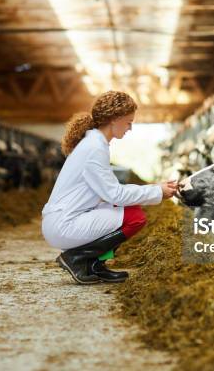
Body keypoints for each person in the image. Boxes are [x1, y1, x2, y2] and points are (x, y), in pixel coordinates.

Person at [41, 91, 177, 284]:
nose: (130, 128)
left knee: (131, 210)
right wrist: (157, 191)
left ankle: (95, 265)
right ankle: (77, 258)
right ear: (115, 119)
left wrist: (155, 189)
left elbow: (109, 192)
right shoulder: (94, 148)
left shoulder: (95, 144)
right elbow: (115, 194)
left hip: (66, 218)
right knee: (135, 218)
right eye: (129, 122)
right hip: (65, 224)